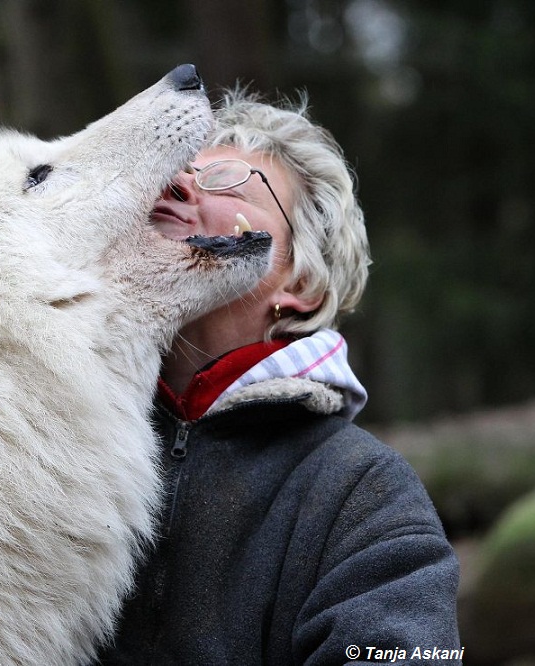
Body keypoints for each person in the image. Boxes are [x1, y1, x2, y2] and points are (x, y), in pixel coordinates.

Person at [95, 87, 461, 664]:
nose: (177, 185)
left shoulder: (362, 491)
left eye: (227, 184)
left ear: (300, 285)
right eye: (175, 173)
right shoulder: (62, 446)